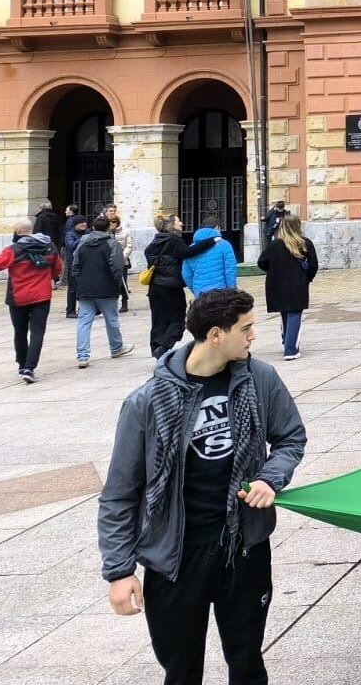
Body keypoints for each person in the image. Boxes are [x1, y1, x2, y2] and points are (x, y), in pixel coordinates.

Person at [98, 288, 306, 685]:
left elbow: (291, 438)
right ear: (215, 334)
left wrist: (269, 477)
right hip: (175, 559)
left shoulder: (259, 379)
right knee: (181, 671)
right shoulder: (146, 402)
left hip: (243, 548)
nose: (252, 336)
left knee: (247, 665)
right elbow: (120, 493)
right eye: (245, 328)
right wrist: (119, 571)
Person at [142, 216, 217, 360]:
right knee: (177, 320)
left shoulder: (155, 241)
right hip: (170, 287)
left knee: (158, 319)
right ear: (171, 225)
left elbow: (148, 254)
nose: (181, 223)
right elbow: (188, 253)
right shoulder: (173, 241)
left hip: (155, 287)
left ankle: (156, 348)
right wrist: (211, 241)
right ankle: (163, 347)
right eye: (178, 221)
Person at [0, 218, 61, 382]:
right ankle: (29, 368)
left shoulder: (13, 249)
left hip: (19, 297)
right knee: (38, 332)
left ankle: (21, 365)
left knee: (20, 332)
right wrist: (50, 278)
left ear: (17, 232)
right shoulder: (49, 246)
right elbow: (58, 267)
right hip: (42, 295)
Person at [73, 216, 132, 366]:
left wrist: (79, 281)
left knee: (84, 322)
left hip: (85, 287)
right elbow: (117, 267)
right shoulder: (112, 244)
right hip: (106, 287)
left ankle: (82, 355)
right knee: (111, 319)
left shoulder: (82, 243)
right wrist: (116, 283)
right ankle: (116, 347)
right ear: (108, 228)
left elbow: (75, 264)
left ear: (93, 227)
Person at [257, 215, 318, 362]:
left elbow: (261, 262)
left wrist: (273, 270)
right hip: (297, 285)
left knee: (285, 313)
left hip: (276, 284)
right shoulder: (304, 243)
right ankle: (291, 349)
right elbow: (314, 265)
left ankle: (286, 342)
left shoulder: (275, 245)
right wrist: (306, 278)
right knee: (294, 315)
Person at [181, 212, 237, 297]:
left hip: (200, 293)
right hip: (221, 292)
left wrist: (195, 290)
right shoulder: (224, 245)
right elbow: (230, 270)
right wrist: (231, 291)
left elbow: (186, 275)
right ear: (217, 227)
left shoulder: (191, 249)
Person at [63, 213, 89, 319]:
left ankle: (84, 309)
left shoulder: (88, 233)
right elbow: (71, 246)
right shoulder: (70, 234)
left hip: (86, 264)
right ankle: (70, 310)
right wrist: (83, 238)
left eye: (84, 222)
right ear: (75, 225)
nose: (83, 224)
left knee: (85, 288)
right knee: (73, 289)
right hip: (74, 265)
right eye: (80, 223)